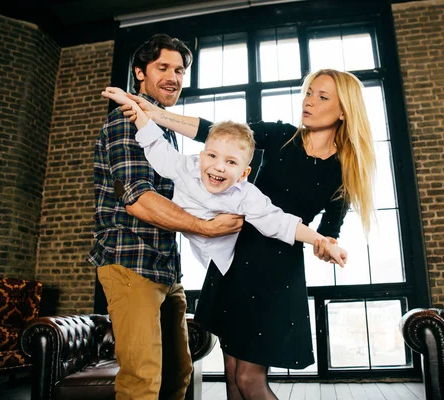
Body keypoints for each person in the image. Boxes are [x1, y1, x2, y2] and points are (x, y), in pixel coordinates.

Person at [113, 68, 375, 400]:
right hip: (234, 257)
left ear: (343, 111)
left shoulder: (344, 173)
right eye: (309, 92)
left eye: (322, 97)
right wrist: (156, 115)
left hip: (277, 272)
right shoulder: (281, 135)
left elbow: (328, 233)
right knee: (233, 378)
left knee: (251, 379)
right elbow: (215, 133)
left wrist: (325, 245)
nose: (309, 102)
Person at [87, 33, 244, 400]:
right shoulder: (125, 121)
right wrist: (206, 227)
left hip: (165, 269)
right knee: (142, 381)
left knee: (178, 376)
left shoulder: (161, 132)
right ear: (139, 73)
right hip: (130, 264)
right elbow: (138, 199)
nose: (173, 76)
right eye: (163, 67)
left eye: (180, 69)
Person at [101, 87, 349, 272]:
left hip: (238, 264)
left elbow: (281, 222)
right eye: (212, 156)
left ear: (244, 174)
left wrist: (322, 241)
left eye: (231, 163)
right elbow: (158, 147)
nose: (218, 167)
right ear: (201, 156)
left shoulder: (246, 196)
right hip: (197, 256)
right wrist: (140, 112)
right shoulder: (188, 168)